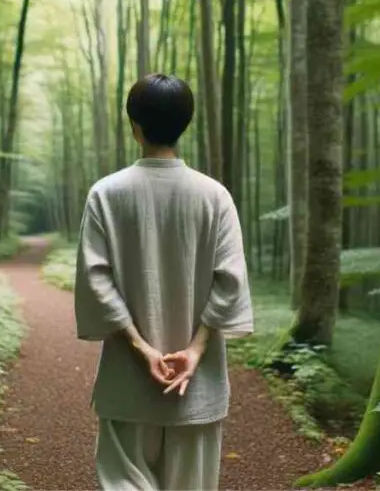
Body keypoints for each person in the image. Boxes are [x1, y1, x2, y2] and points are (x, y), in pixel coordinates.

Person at [74, 74, 254, 490]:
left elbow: (95, 281)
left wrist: (141, 349)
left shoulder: (106, 194)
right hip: (198, 390)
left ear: (134, 126)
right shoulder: (215, 196)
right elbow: (230, 282)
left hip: (126, 388)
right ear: (185, 125)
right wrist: (193, 351)